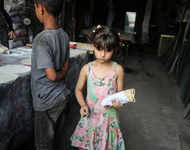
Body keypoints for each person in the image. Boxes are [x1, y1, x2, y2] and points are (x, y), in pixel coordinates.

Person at [70, 25, 125, 150]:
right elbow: (78, 89)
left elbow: (120, 95)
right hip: (90, 118)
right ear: (93, 46)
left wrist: (119, 102)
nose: (103, 55)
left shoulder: (118, 70)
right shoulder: (87, 69)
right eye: (99, 49)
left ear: (114, 49)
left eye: (108, 50)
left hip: (108, 121)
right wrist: (83, 105)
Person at [31, 0, 70, 149]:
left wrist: (59, 74)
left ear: (40, 9)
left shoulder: (41, 40)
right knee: (60, 136)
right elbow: (66, 66)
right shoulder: (64, 35)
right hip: (61, 95)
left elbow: (52, 76)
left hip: (46, 100)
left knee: (44, 143)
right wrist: (63, 72)